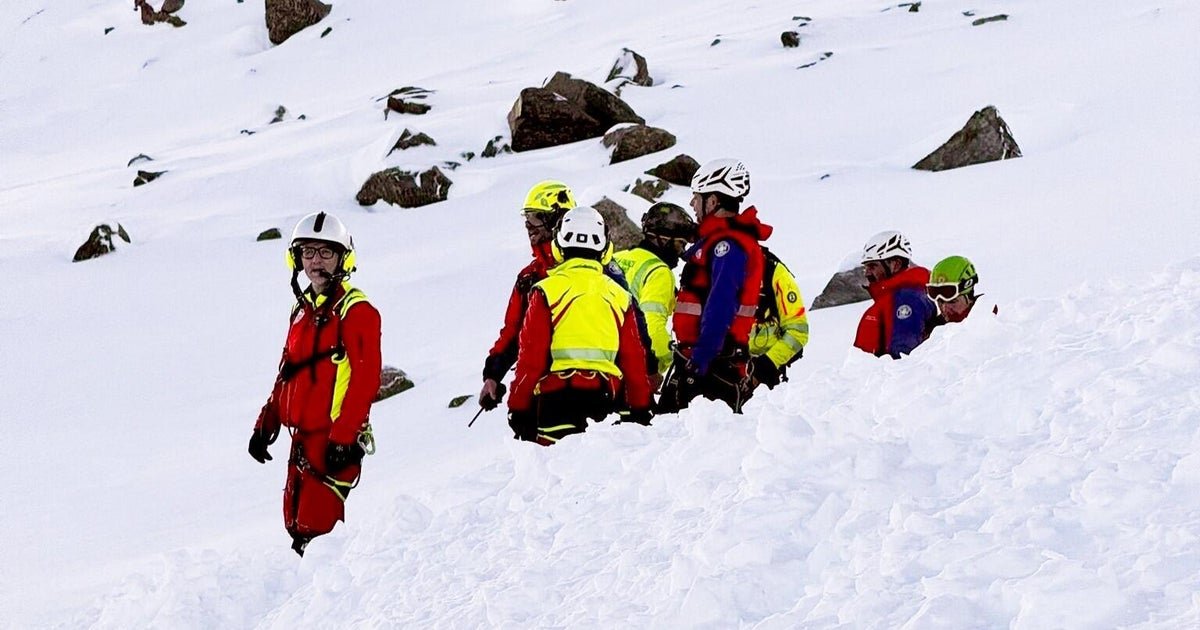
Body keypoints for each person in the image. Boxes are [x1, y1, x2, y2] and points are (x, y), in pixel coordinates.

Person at [249, 212, 382, 556]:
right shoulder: (301, 310)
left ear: (342, 257)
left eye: (325, 252)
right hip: (301, 441)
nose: (315, 262)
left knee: (319, 531)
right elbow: (287, 372)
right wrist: (267, 422)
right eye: (307, 253)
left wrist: (343, 437)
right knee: (296, 523)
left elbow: (365, 381)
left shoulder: (357, 311)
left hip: (332, 439)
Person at [507, 207, 655, 445]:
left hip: (556, 405)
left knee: (553, 478)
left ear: (559, 244)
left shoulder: (546, 290)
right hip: (606, 403)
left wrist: (518, 407)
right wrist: (641, 406)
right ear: (604, 248)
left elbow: (530, 359)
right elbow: (634, 360)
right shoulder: (619, 295)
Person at [657, 159, 774, 414]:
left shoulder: (727, 247)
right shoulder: (720, 242)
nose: (692, 205)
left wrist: (698, 364)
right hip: (703, 361)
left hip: (711, 367)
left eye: (696, 197)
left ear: (712, 201)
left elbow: (720, 306)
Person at [478, 181, 576, 413]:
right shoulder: (529, 278)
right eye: (527, 218)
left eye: (536, 217)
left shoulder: (596, 270)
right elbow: (512, 333)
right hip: (542, 391)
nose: (528, 225)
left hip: (595, 385)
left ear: (557, 220)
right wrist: (493, 375)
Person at [612, 202, 698, 389]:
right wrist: (662, 364)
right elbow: (653, 327)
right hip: (630, 368)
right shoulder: (659, 271)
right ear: (664, 239)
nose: (682, 251)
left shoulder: (618, 258)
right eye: (680, 243)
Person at [853, 230, 932, 359]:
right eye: (865, 267)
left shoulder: (908, 299)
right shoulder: (890, 298)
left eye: (872, 266)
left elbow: (903, 357)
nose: (867, 273)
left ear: (896, 264)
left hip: (890, 378)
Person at [747, 247, 810, 390]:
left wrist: (766, 365)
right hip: (723, 367)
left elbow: (798, 332)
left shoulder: (775, 274)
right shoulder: (717, 270)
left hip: (763, 374)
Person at [925, 255, 981, 332]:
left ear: (969, 298)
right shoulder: (931, 331)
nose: (944, 308)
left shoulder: (992, 320)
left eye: (952, 301)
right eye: (940, 301)